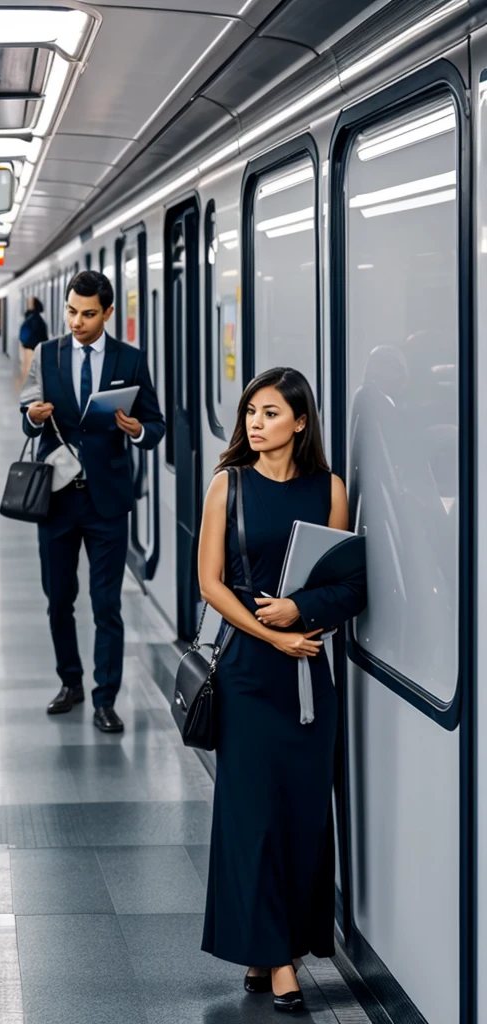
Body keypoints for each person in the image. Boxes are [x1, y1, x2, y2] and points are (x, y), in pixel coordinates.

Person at [198, 367, 366, 1012]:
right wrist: (273, 636)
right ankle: (277, 962)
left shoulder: (329, 489)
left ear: (300, 422)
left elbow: (349, 584)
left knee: (300, 817)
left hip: (308, 677)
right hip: (248, 672)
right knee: (251, 818)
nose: (255, 424)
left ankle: (275, 948)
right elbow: (210, 584)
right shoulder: (227, 485)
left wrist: (301, 613)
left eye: (270, 413)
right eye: (251, 413)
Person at [19, 270, 165, 733]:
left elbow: (155, 425)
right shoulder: (47, 354)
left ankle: (106, 698)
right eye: (70, 311)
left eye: (87, 314)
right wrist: (34, 418)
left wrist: (136, 430)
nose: (76, 321)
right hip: (56, 499)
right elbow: (27, 417)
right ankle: (71, 681)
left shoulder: (131, 359)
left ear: (107, 313)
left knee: (106, 604)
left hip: (107, 501)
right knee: (59, 599)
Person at [19, 296, 48, 382]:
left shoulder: (33, 318)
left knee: (28, 368)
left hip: (30, 347)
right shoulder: (37, 318)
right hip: (32, 346)